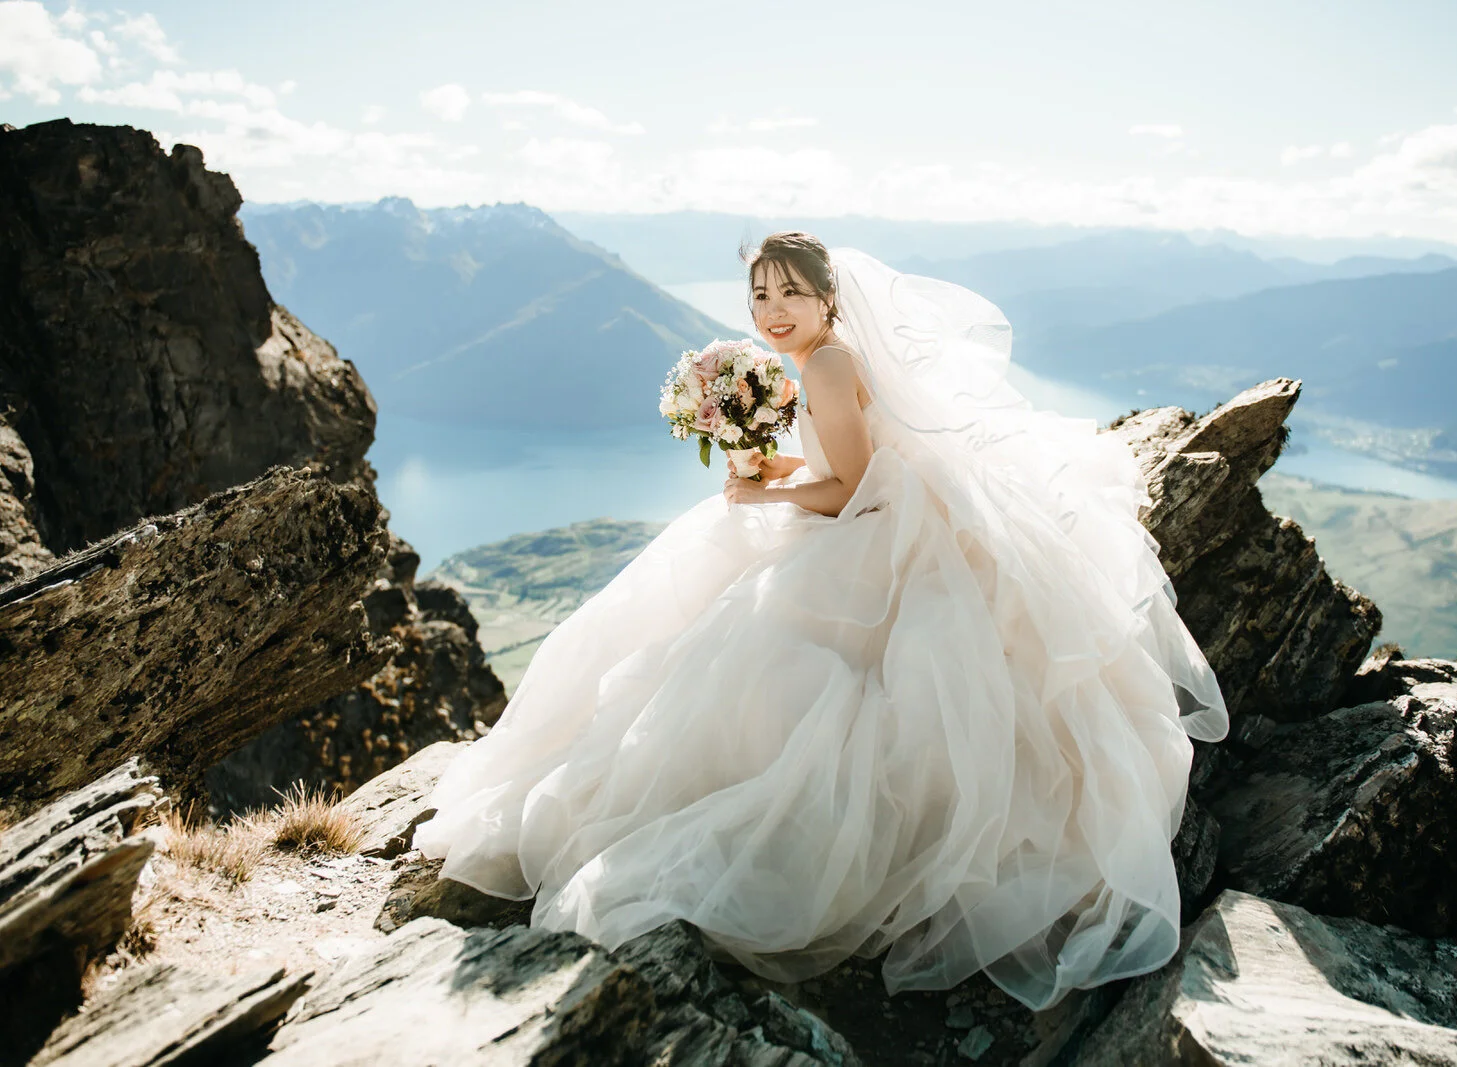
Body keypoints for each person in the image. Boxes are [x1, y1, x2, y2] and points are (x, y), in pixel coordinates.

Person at [412, 232, 1229, 1012]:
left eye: (790, 292)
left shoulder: (830, 364)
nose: (771, 309)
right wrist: (769, 464)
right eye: (760, 293)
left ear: (828, 296)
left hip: (877, 538)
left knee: (751, 654)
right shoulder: (817, 358)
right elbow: (844, 463)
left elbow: (855, 491)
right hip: (871, 517)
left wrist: (766, 492)